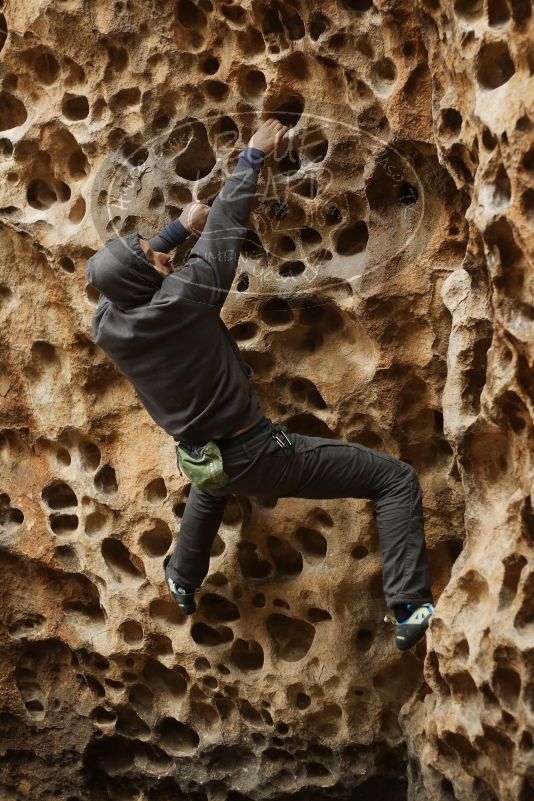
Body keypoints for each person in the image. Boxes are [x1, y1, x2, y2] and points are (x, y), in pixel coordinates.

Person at [86, 118, 434, 652]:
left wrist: (176, 232)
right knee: (395, 480)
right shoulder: (186, 297)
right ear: (145, 278)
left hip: (201, 454)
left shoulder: (108, 326)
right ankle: (409, 605)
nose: (159, 256)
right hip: (257, 454)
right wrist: (253, 155)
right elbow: (224, 231)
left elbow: (120, 281)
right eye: (152, 257)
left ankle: (182, 577)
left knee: (212, 485)